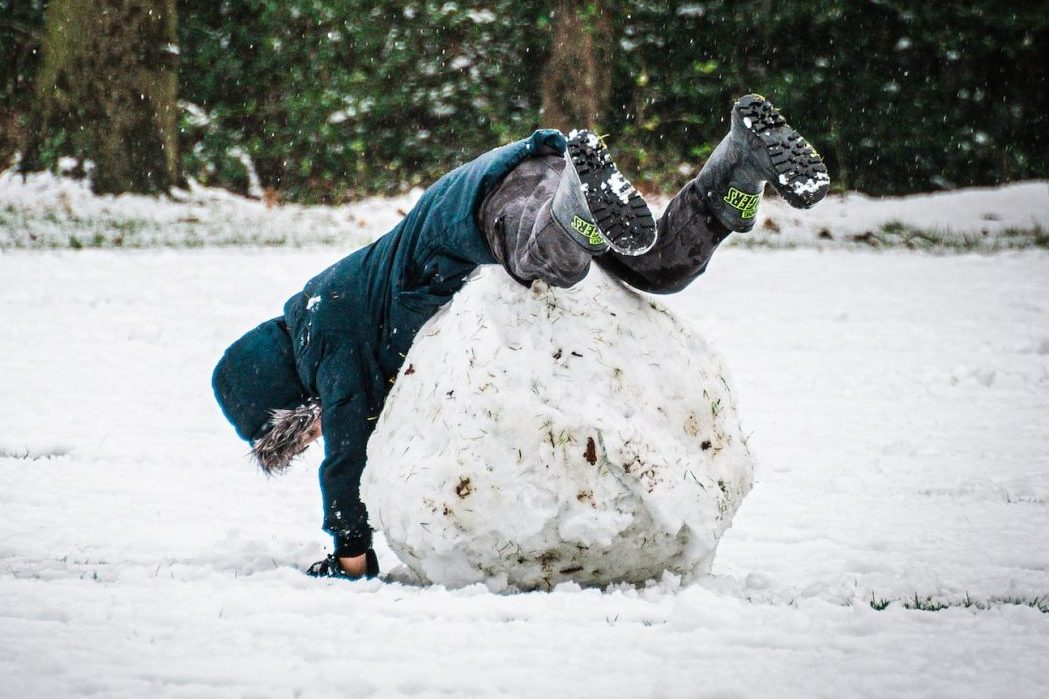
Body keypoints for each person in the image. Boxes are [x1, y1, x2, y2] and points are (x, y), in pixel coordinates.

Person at [211, 94, 830, 579]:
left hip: (485, 201)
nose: (315, 432)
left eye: (300, 430)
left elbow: (346, 450)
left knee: (546, 261)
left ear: (285, 404)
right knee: (662, 265)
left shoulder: (325, 333)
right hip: (530, 186)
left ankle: (577, 206)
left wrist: (350, 554)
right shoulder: (329, 314)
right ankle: (740, 166)